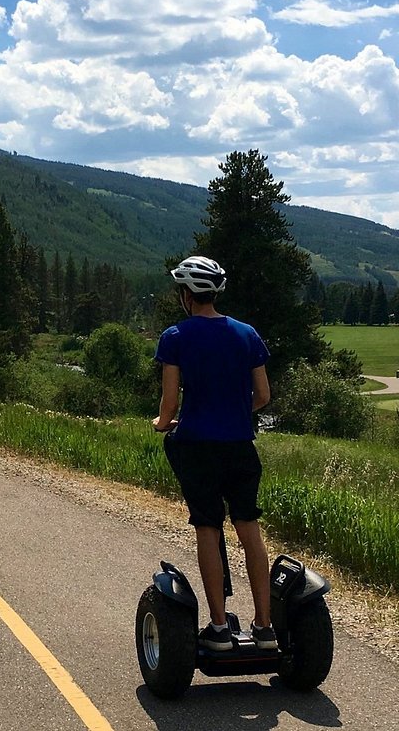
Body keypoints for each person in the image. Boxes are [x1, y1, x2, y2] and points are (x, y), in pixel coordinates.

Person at [153, 256, 277, 652]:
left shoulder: (176, 336)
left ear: (187, 294)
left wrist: (161, 423)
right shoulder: (247, 334)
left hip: (198, 448)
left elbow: (170, 403)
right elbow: (263, 396)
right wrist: (235, 413)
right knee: (248, 529)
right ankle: (264, 626)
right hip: (241, 447)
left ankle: (220, 628)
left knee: (208, 528)